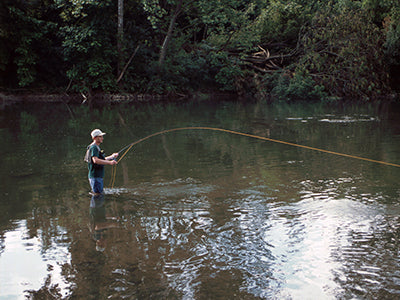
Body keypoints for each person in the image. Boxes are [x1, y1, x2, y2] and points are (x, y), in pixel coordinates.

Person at [87, 129, 118, 195]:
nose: (102, 138)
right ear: (95, 138)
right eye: (100, 136)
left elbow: (101, 159)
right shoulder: (94, 147)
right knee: (98, 196)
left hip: (97, 176)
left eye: (102, 136)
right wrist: (110, 163)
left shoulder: (96, 147)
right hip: (95, 177)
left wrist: (112, 156)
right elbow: (95, 160)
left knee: (99, 195)